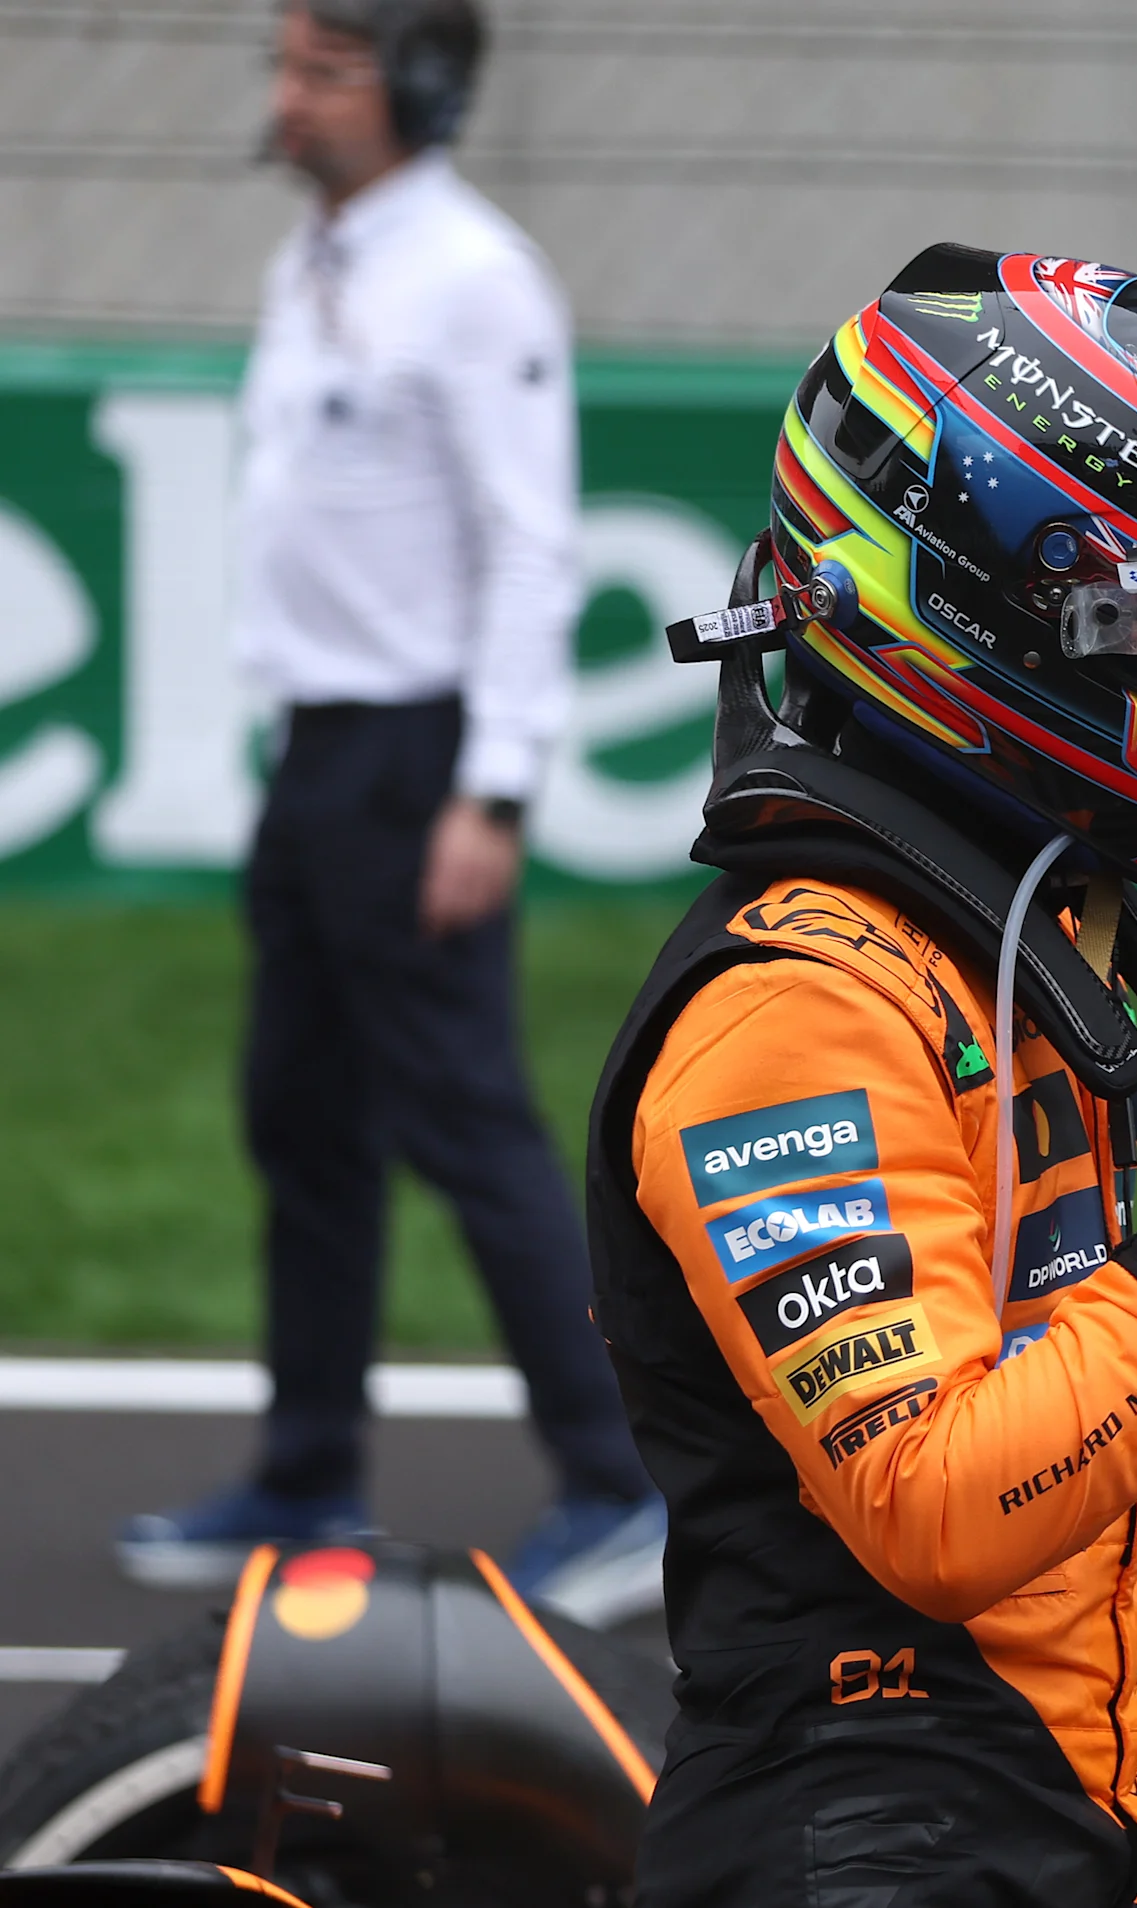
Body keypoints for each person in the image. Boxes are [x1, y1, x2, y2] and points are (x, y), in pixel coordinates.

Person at [586, 245, 1137, 1906]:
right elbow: (940, 1506)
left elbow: (1078, 1521)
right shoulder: (799, 1005)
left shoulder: (1007, 942)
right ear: (985, 617)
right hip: (861, 1835)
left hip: (1036, 1804)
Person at [118, 0, 666, 1616]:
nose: (287, 99)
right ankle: (304, 1469)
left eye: (321, 71)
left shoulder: (473, 278)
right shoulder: (325, 261)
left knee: (468, 1123)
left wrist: (491, 790)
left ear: (416, 86)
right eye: (284, 66)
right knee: (300, 1119)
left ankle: (619, 1477)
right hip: (317, 757)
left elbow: (528, 544)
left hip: (415, 760)